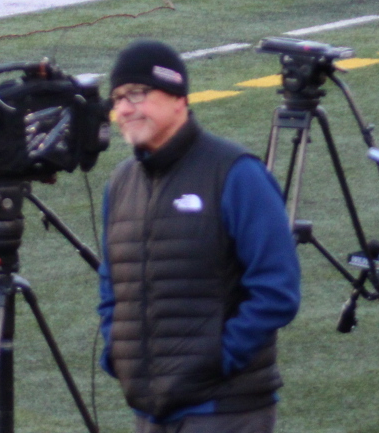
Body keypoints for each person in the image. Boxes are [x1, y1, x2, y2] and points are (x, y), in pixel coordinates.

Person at [98, 39, 300, 433]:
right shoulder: (120, 183)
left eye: (137, 94)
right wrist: (117, 353)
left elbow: (278, 289)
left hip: (223, 409)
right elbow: (111, 285)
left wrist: (218, 359)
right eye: (118, 98)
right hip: (149, 409)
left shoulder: (236, 173)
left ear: (178, 98)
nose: (124, 109)